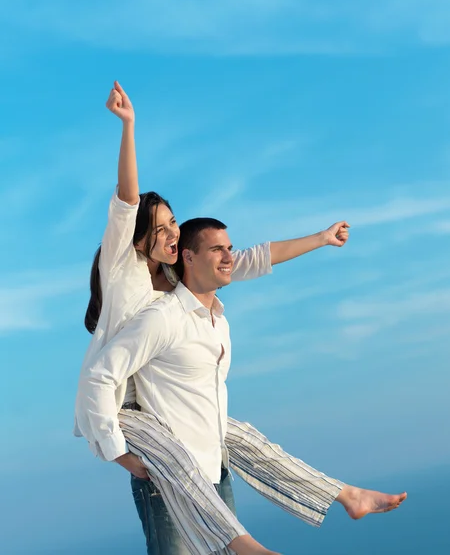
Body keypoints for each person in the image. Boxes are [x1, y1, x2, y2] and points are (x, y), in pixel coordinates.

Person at [74, 82, 406, 555]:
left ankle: (340, 494)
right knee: (177, 457)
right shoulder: (122, 266)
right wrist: (128, 127)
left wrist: (320, 237)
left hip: (166, 406)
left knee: (239, 436)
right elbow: (127, 200)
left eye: (174, 225)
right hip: (129, 411)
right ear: (139, 236)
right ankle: (245, 546)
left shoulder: (175, 277)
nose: (171, 233)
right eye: (162, 228)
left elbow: (247, 259)